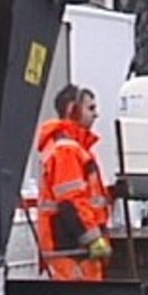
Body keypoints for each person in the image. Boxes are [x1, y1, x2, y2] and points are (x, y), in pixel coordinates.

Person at [35, 84, 113, 281]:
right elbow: (71, 201)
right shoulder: (67, 150)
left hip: (73, 246)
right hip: (71, 249)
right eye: (91, 108)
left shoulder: (74, 148)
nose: (96, 115)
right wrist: (93, 239)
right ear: (73, 109)